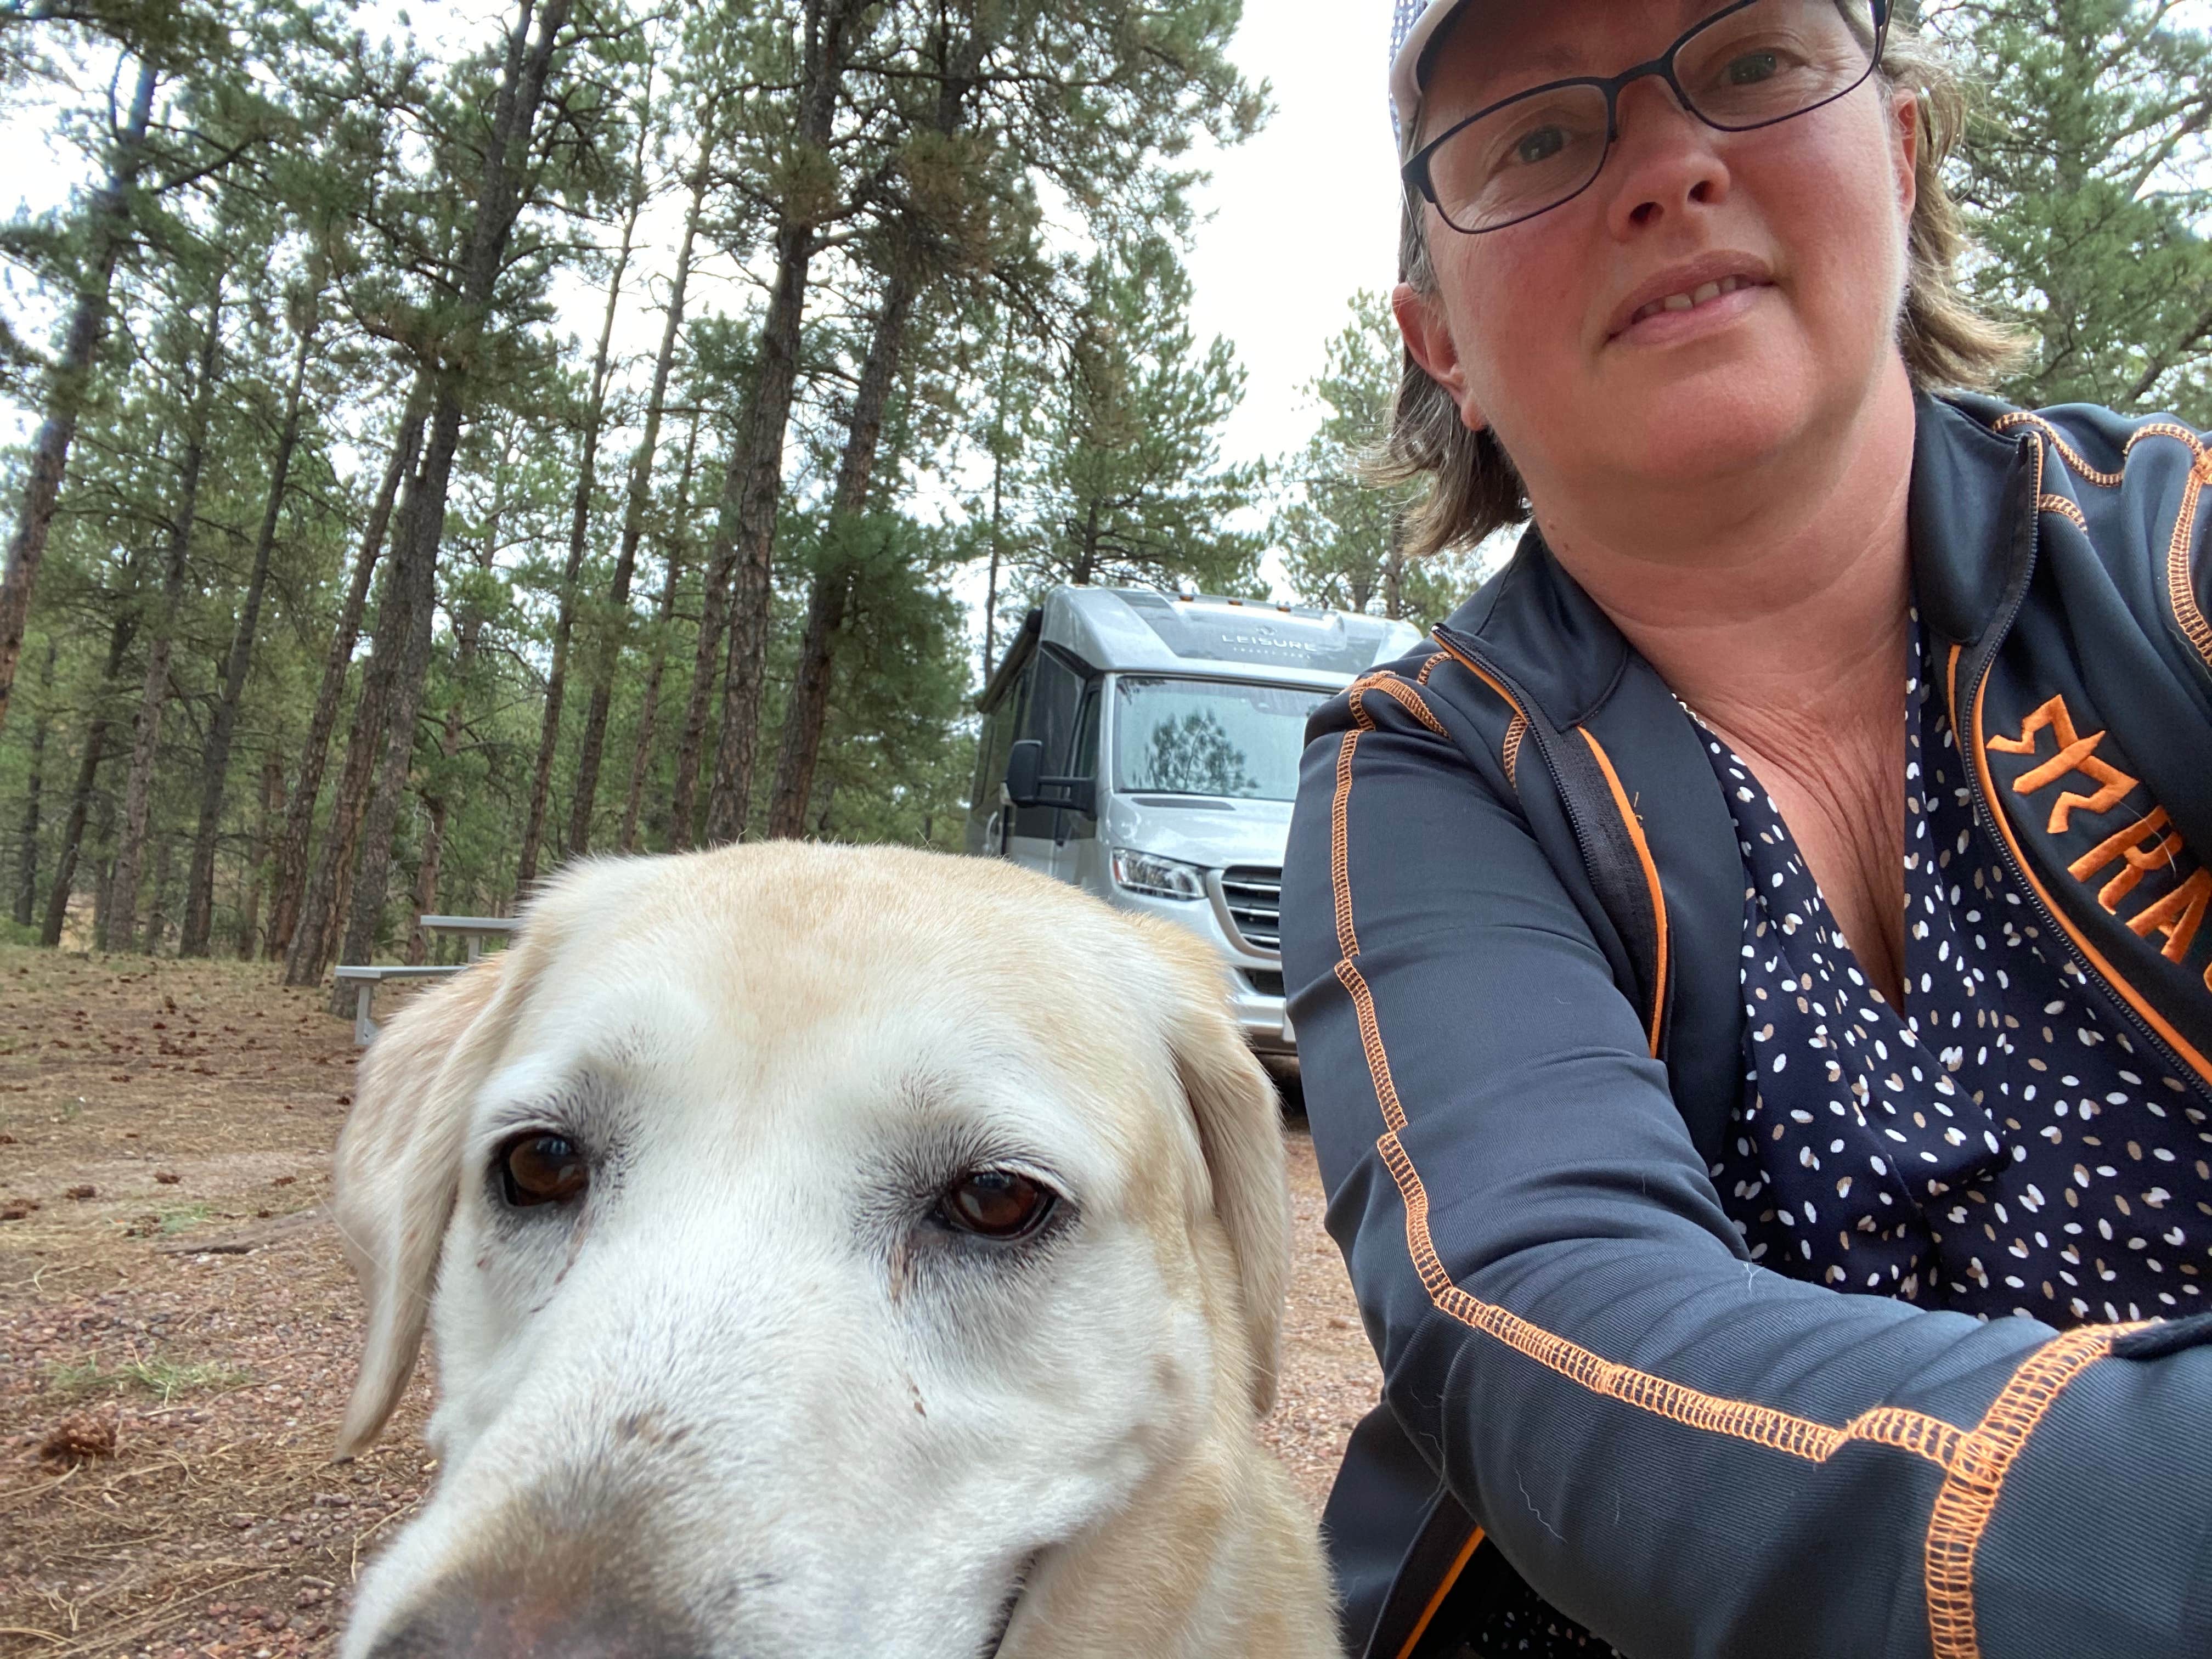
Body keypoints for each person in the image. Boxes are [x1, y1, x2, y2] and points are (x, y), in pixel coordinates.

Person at [1280, 2, 2212, 1656]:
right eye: (1541, 140)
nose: (1666, 169)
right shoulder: (1426, 775)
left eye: (1751, 65)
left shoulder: (2173, 559)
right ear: (1444, 347)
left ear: (1903, 152)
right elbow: (1533, 1319)